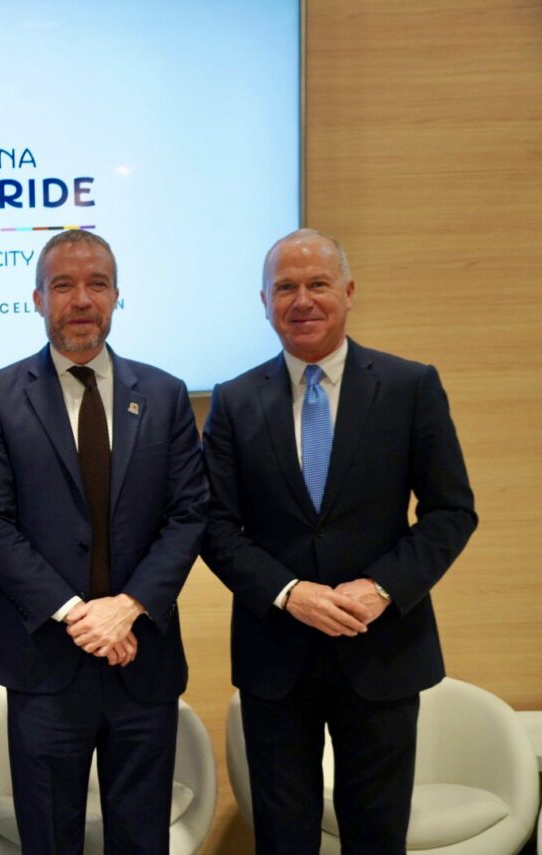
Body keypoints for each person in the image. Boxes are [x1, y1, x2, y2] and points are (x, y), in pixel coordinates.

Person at [202, 229, 477, 854]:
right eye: (285, 287)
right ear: (265, 302)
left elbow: (451, 511)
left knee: (377, 836)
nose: (302, 300)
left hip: (382, 652)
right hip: (276, 656)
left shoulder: (410, 387)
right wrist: (288, 592)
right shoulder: (235, 401)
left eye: (318, 284)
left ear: (348, 292)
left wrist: (383, 588)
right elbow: (213, 525)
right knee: (283, 838)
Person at [0, 229, 207, 853]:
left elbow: (189, 514)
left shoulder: (165, 394)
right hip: (44, 662)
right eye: (63, 285)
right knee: (47, 838)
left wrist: (128, 607)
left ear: (117, 295)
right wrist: (78, 614)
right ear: (37, 299)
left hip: (141, 658)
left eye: (97, 284)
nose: (81, 299)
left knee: (142, 839)